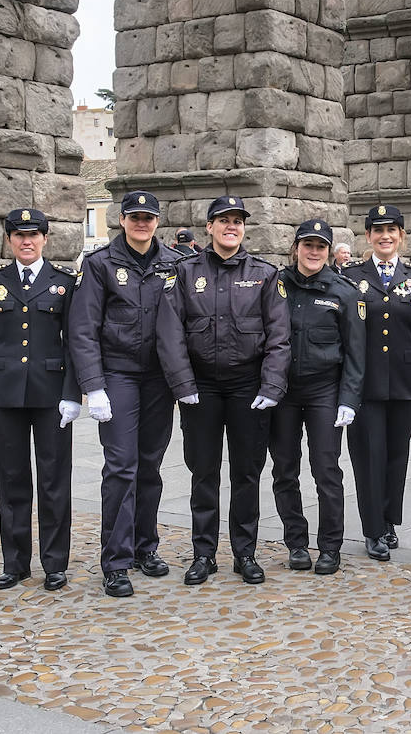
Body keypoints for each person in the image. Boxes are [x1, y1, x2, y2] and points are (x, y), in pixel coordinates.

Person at [157, 195, 290, 585]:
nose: (232, 226)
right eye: (224, 220)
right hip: (201, 387)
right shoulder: (185, 272)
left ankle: (245, 553)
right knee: (203, 472)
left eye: (238, 221)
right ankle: (204, 553)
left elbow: (279, 336)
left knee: (247, 473)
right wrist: (182, 383)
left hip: (248, 387)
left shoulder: (264, 274)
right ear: (210, 227)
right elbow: (170, 332)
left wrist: (272, 385)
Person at [68, 191, 182, 597]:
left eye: (148, 217)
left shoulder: (174, 263)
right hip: (117, 373)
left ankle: (144, 546)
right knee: (120, 467)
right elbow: (83, 328)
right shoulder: (100, 264)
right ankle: (115, 561)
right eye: (135, 217)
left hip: (158, 378)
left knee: (150, 466)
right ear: (122, 219)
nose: (141, 223)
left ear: (157, 221)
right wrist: (93, 386)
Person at [0, 207, 82, 592]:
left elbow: (73, 343)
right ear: (9, 240)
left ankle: (54, 563)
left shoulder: (63, 282)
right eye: (19, 235)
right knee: (11, 481)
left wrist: (72, 394)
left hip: (51, 394)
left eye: (33, 235)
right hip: (5, 394)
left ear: (45, 239)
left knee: (54, 482)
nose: (27, 241)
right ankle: (15, 563)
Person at [341, 205, 411, 560]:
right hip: (364, 384)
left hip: (403, 382)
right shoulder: (351, 276)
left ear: (401, 236)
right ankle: (372, 530)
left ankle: (389, 520)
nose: (385, 236)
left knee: (397, 455)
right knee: (369, 457)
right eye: (378, 230)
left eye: (391, 230)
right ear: (367, 236)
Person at [270, 220, 365, 575]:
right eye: (307, 245)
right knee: (284, 470)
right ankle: (296, 543)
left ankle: (330, 546)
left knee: (326, 470)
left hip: (324, 389)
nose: (313, 252)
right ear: (296, 248)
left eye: (320, 246)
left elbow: (356, 351)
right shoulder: (276, 285)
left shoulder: (344, 292)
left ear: (328, 251)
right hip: (283, 392)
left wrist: (349, 399)